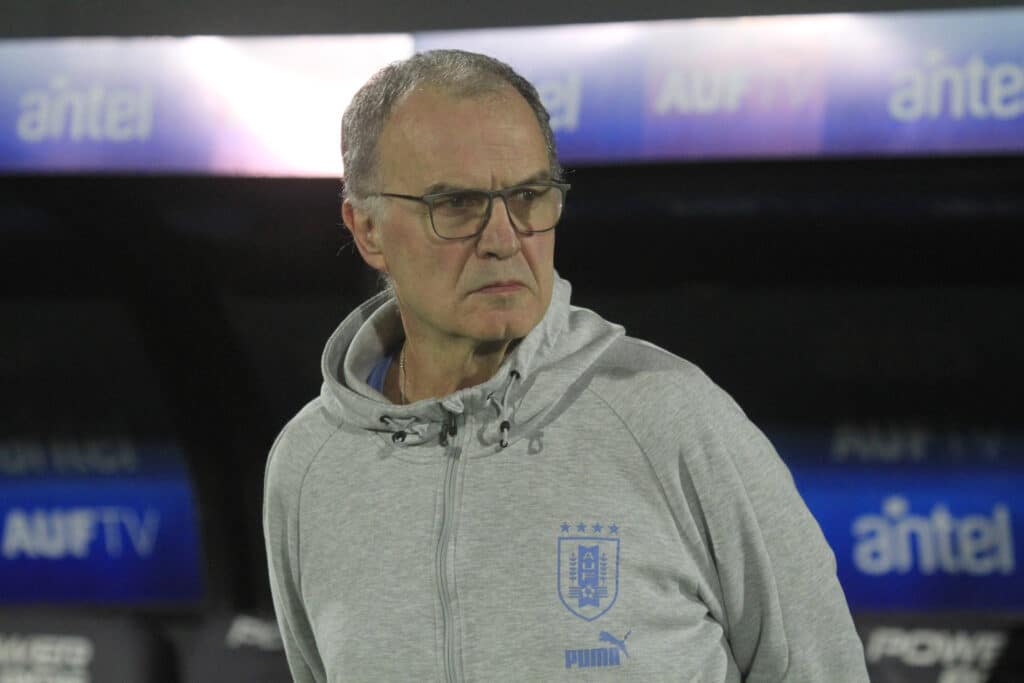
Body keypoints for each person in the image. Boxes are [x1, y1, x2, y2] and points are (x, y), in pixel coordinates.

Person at [263, 49, 868, 682]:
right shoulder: (308, 465)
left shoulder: (672, 418)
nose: (504, 238)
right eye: (458, 206)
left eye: (528, 195)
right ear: (368, 231)